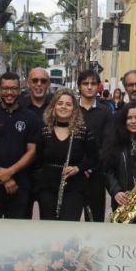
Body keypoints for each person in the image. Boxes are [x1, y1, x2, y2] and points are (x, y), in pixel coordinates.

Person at [0, 72, 40, 219]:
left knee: (17, 235)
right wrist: (3, 177)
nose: (9, 92)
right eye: (5, 88)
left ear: (19, 90)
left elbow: (32, 152)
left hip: (20, 184)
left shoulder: (30, 117)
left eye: (13, 88)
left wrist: (10, 172)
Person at [37, 89, 93, 221]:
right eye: (60, 103)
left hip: (74, 189)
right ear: (53, 106)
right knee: (49, 233)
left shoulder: (82, 132)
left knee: (68, 232)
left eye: (68, 104)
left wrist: (78, 168)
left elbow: (94, 159)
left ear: (74, 108)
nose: (63, 107)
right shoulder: (44, 131)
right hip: (47, 189)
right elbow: (37, 160)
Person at [74, 69, 113, 222]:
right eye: (85, 83)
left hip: (96, 173)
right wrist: (80, 166)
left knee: (95, 219)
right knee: (70, 218)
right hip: (74, 172)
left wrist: (90, 166)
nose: (89, 87)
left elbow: (108, 143)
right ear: (79, 86)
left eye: (93, 83)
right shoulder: (71, 109)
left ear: (98, 87)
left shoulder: (105, 112)